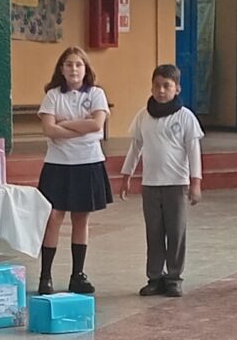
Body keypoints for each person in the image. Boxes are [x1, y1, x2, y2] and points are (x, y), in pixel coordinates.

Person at [120, 63, 203, 297]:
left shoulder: (185, 117)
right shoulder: (143, 116)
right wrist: (126, 175)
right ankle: (155, 277)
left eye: (167, 86)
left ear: (177, 89)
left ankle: (174, 277)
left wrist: (195, 182)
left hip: (176, 184)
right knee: (154, 232)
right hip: (150, 184)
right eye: (157, 86)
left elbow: (193, 151)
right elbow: (136, 147)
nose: (161, 91)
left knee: (176, 232)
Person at [35, 47, 111, 294]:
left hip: (87, 162)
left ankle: (78, 275)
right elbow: (49, 129)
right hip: (58, 164)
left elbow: (97, 124)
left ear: (86, 68)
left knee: (81, 218)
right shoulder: (52, 96)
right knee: (53, 217)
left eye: (78, 64)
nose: (74, 69)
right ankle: (45, 276)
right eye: (69, 64)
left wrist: (64, 125)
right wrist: (80, 130)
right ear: (62, 69)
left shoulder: (97, 94)